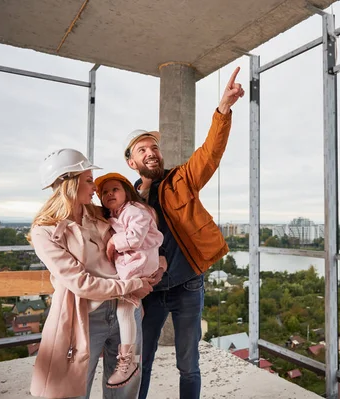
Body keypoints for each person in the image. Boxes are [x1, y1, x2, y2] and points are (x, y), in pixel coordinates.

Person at [124, 66, 244, 399]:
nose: (152, 153)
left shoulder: (181, 179)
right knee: (140, 362)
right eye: (142, 150)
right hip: (147, 291)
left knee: (188, 365)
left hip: (188, 284)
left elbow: (210, 153)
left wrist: (223, 109)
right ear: (131, 162)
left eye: (154, 148)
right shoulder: (125, 200)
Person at [28, 148, 154, 399]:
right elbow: (80, 283)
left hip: (125, 309)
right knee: (74, 390)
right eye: (88, 180)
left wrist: (157, 266)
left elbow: (140, 235)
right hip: (85, 316)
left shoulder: (100, 214)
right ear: (69, 183)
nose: (95, 187)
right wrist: (132, 285)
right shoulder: (44, 231)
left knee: (126, 387)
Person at [93, 172, 166, 388]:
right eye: (104, 192)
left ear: (127, 191)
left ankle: (128, 360)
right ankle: (136, 318)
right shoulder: (119, 212)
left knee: (124, 306)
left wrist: (114, 241)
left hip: (140, 263)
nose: (109, 194)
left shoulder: (134, 211)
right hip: (137, 261)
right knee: (131, 307)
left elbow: (134, 238)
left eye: (114, 189)